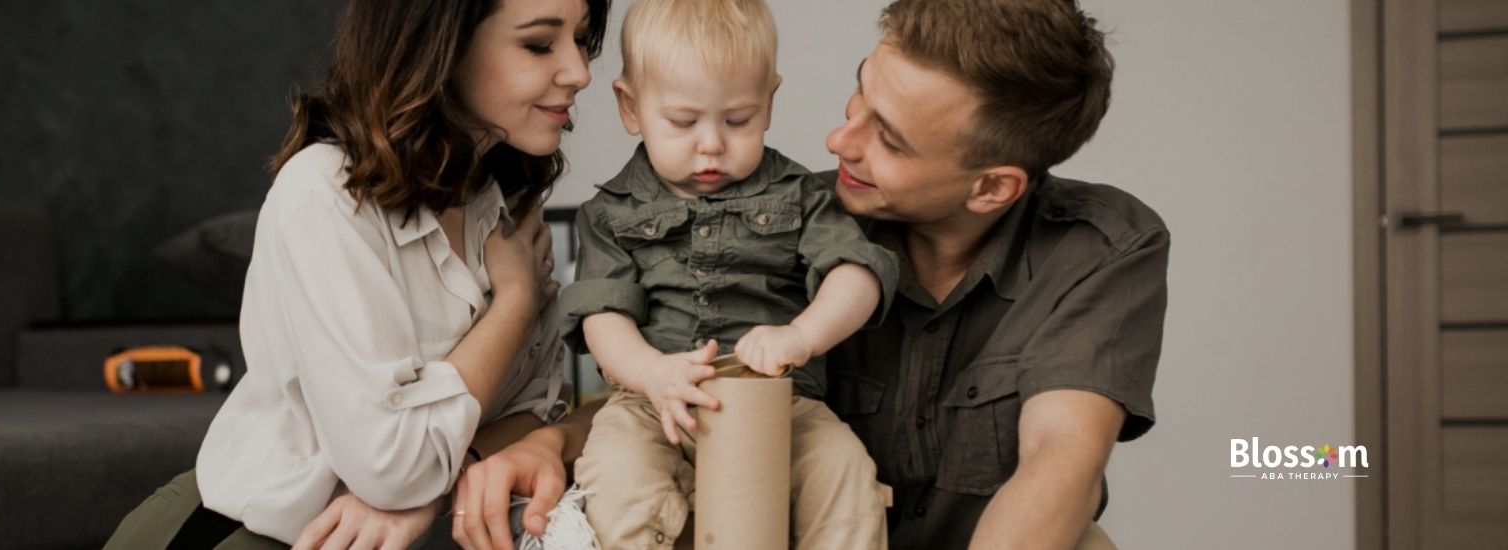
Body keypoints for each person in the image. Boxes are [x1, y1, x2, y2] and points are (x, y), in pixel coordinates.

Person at [102, 0, 611, 548]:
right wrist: (515, 301)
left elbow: (538, 410)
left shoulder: (504, 201)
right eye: (538, 44)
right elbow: (395, 470)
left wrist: (448, 473)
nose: (579, 72)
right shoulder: (322, 197)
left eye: (581, 39)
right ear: (442, 44)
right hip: (253, 533)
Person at [819, 0, 1167, 548]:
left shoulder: (1104, 247)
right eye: (861, 92)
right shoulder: (786, 223)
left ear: (991, 188)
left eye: (888, 140)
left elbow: (1062, 455)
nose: (839, 141)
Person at [556, 0, 900, 547]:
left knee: (844, 473)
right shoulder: (611, 213)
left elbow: (858, 274)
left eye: (738, 119)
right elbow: (603, 315)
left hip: (781, 400)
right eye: (683, 121)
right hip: (653, 402)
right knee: (614, 479)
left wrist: (800, 335)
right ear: (631, 107)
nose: (711, 143)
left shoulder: (801, 194)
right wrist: (651, 373)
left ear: (768, 102)